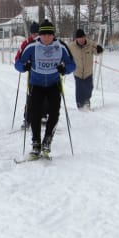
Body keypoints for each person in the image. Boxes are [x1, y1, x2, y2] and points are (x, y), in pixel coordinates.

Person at [15, 20, 76, 158]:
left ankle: (47, 140)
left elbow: (72, 65)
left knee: (54, 114)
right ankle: (36, 143)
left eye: (49, 34)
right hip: (36, 85)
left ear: (53, 34)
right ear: (40, 35)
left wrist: (64, 69)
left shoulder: (60, 46)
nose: (47, 38)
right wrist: (25, 67)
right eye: (44, 35)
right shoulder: (32, 46)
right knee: (34, 114)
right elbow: (18, 63)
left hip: (54, 85)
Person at [14, 21, 49, 129]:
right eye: (33, 34)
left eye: (37, 33)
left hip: (46, 73)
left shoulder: (45, 42)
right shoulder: (26, 43)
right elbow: (17, 59)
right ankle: (28, 119)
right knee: (32, 96)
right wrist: (24, 66)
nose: (35, 36)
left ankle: (43, 115)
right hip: (33, 73)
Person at [68, 29, 104, 110]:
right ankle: (80, 104)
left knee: (89, 87)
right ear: (76, 39)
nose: (81, 39)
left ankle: (87, 101)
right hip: (78, 71)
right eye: (79, 38)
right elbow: (65, 54)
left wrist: (99, 50)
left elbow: (97, 51)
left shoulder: (90, 44)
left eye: (82, 37)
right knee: (80, 89)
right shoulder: (71, 46)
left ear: (85, 37)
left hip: (88, 71)